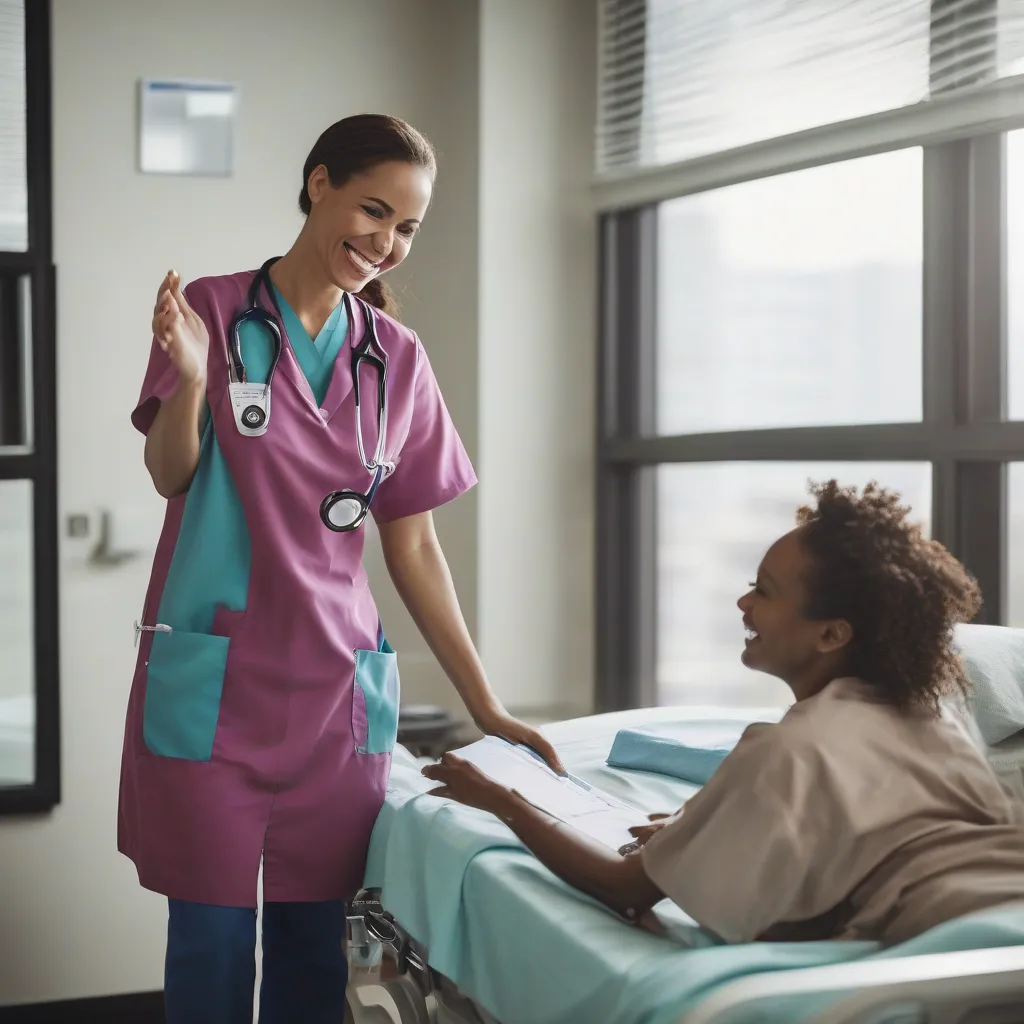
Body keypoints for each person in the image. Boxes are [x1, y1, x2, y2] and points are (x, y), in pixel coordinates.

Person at [119, 113, 563, 1024]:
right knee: (207, 948)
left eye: (407, 227)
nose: (387, 242)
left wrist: (488, 706)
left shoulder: (395, 358)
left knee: (312, 958)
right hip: (219, 684)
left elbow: (414, 545)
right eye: (374, 210)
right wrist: (195, 381)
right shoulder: (213, 308)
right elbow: (171, 474)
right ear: (318, 183)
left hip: (334, 695)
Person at [425, 480, 1024, 946]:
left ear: (831, 633)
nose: (743, 602)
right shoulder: (932, 723)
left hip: (969, 928)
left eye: (764, 591)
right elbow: (858, 844)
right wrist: (709, 839)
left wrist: (501, 799)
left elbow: (625, 889)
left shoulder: (786, 750)